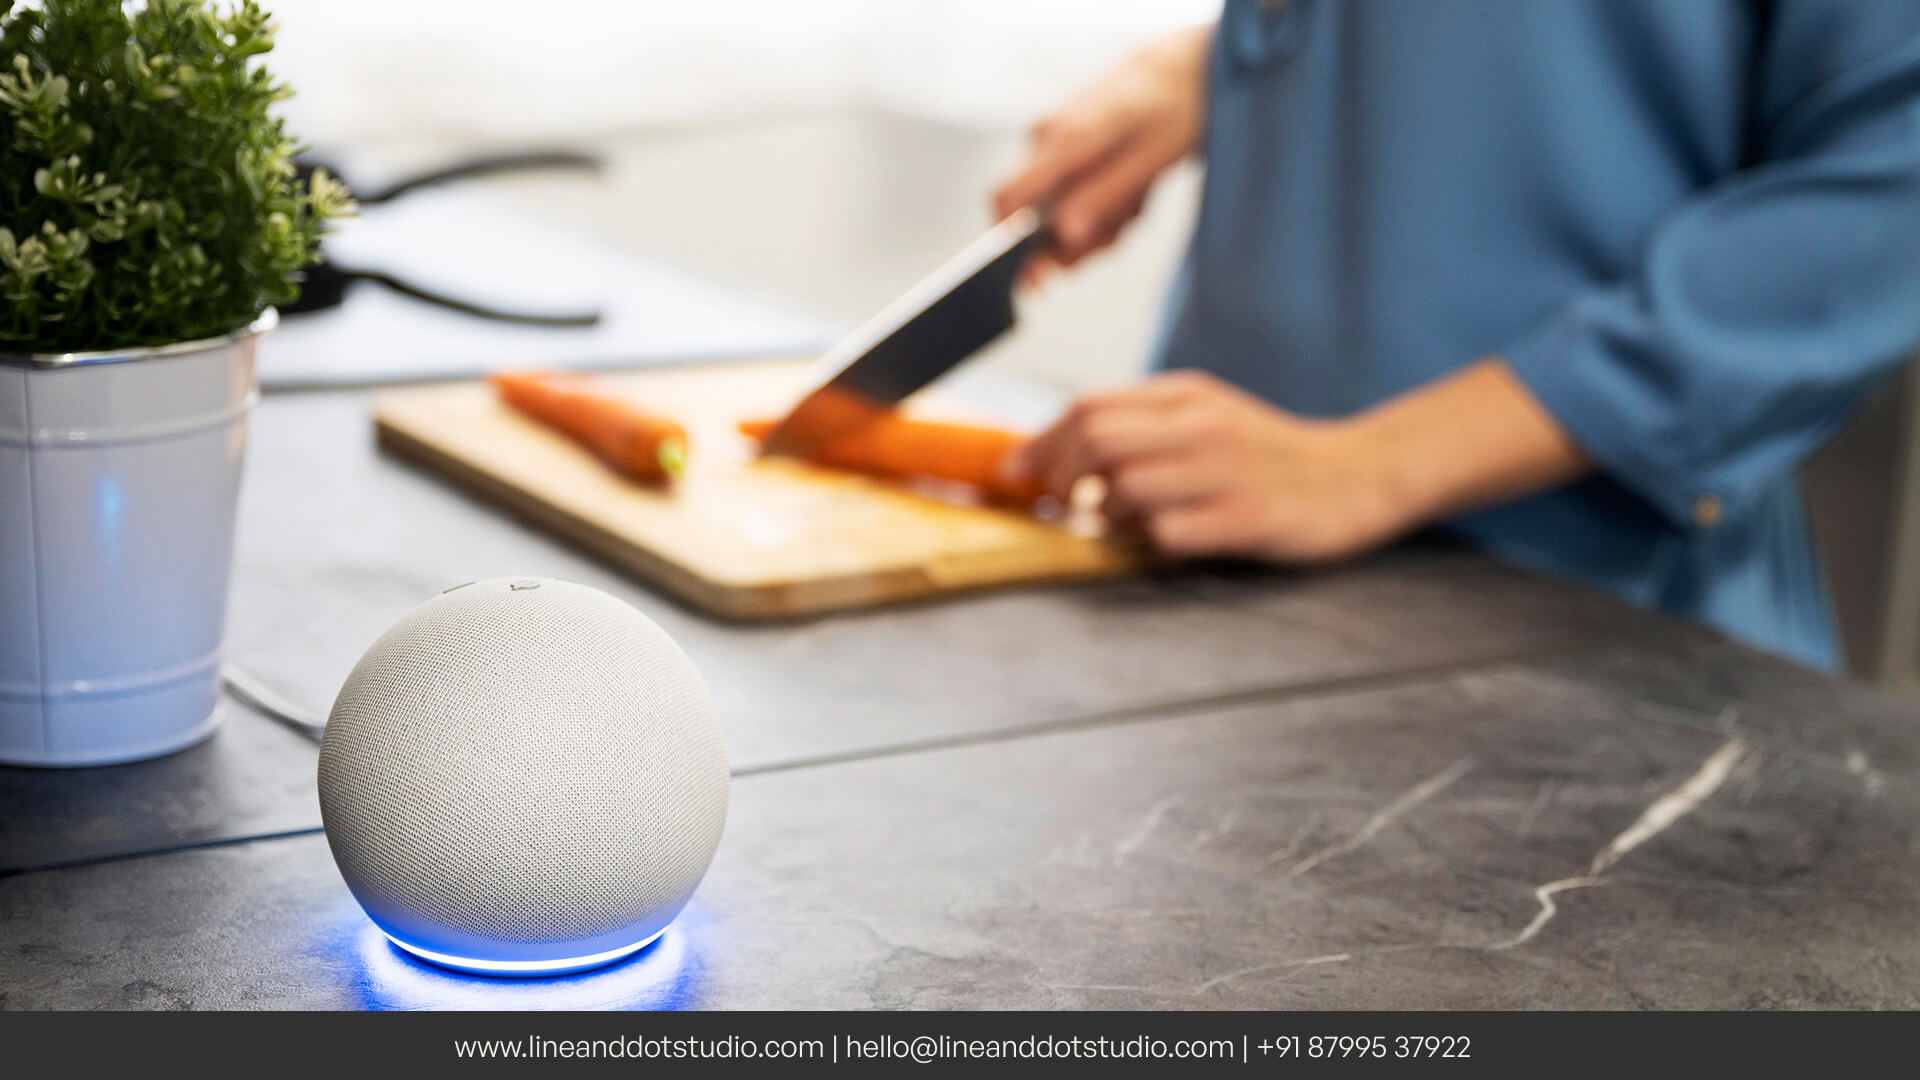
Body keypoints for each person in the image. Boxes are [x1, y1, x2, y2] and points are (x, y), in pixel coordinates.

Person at [995, 1, 1920, 672]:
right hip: (1208, 569)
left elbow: (1883, 204)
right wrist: (1230, 56)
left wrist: (1371, 466)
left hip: (1580, 645)